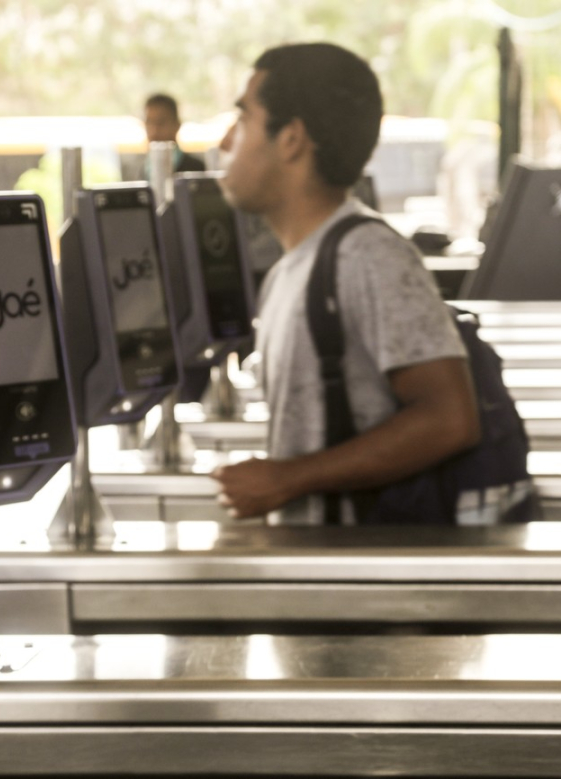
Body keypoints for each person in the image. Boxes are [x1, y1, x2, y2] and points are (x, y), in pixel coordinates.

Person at [212, 42, 481, 525]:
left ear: (291, 138)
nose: (227, 140)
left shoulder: (367, 257)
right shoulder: (291, 269)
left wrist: (288, 478)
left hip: (358, 579)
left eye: (244, 119)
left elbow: (449, 419)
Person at [143, 93, 206, 174]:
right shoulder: (143, 169)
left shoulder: (196, 169)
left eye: (161, 123)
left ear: (177, 125)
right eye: (149, 122)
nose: (154, 130)